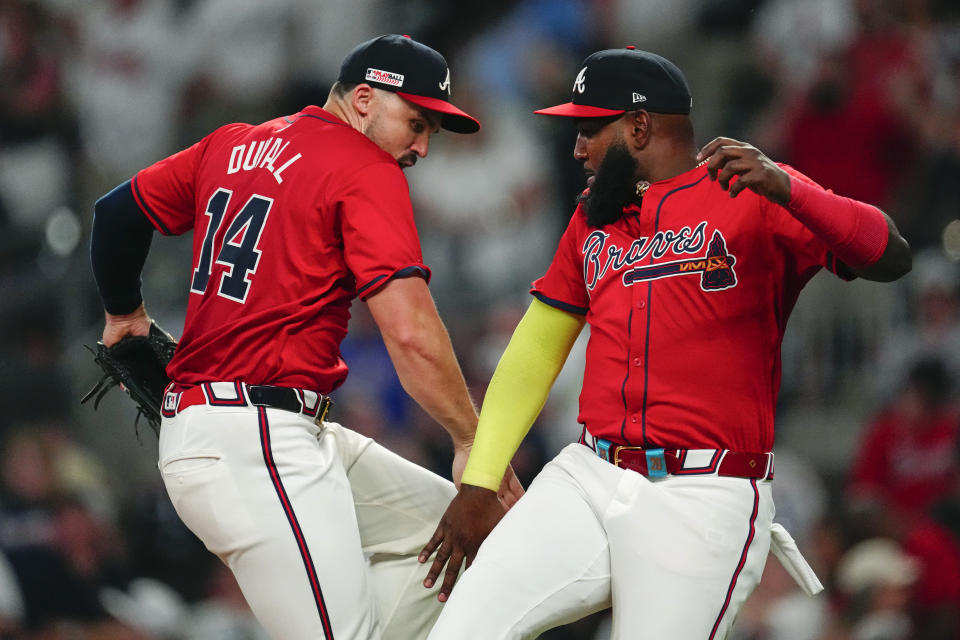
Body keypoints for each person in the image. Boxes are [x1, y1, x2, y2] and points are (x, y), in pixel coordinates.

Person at [419, 46, 912, 639]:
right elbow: (535, 351)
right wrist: (480, 482)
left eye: (588, 129)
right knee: (460, 630)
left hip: (702, 492)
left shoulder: (752, 190)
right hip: (589, 472)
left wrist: (791, 190)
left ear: (640, 127)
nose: (576, 148)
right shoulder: (594, 216)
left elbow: (890, 256)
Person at [88, 34, 522, 640]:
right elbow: (411, 332)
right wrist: (472, 439)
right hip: (256, 437)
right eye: (416, 122)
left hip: (259, 431)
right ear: (364, 99)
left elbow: (115, 215)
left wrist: (124, 314)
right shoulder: (362, 164)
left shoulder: (232, 143)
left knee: (485, 538)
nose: (422, 145)